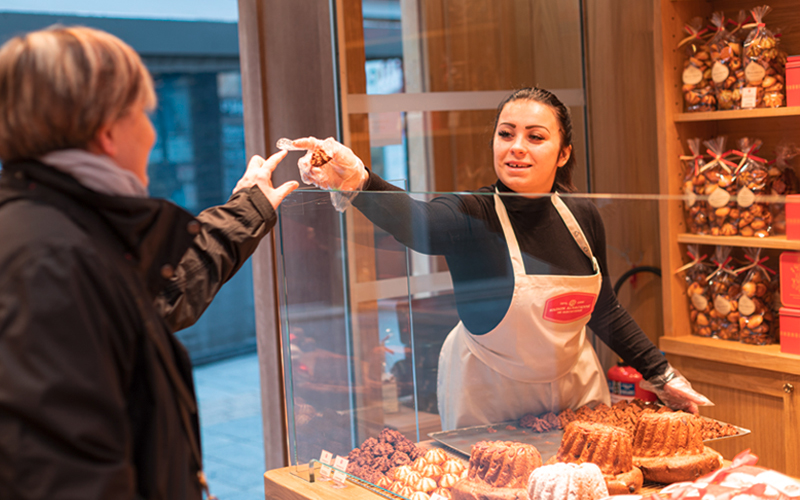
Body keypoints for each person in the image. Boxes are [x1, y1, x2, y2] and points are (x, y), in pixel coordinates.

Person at [290, 87, 711, 431]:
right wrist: (361, 180)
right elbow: (419, 224)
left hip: (575, 385)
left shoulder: (582, 216)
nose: (517, 148)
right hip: (488, 391)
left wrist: (661, 375)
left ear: (563, 153)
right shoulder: (472, 212)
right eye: (506, 134)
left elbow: (604, 309)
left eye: (536, 137)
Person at [0, 26, 298, 499]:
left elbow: (158, 295)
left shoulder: (57, 229)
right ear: (107, 133)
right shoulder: (48, 263)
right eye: (142, 113)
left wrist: (248, 208)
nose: (152, 132)